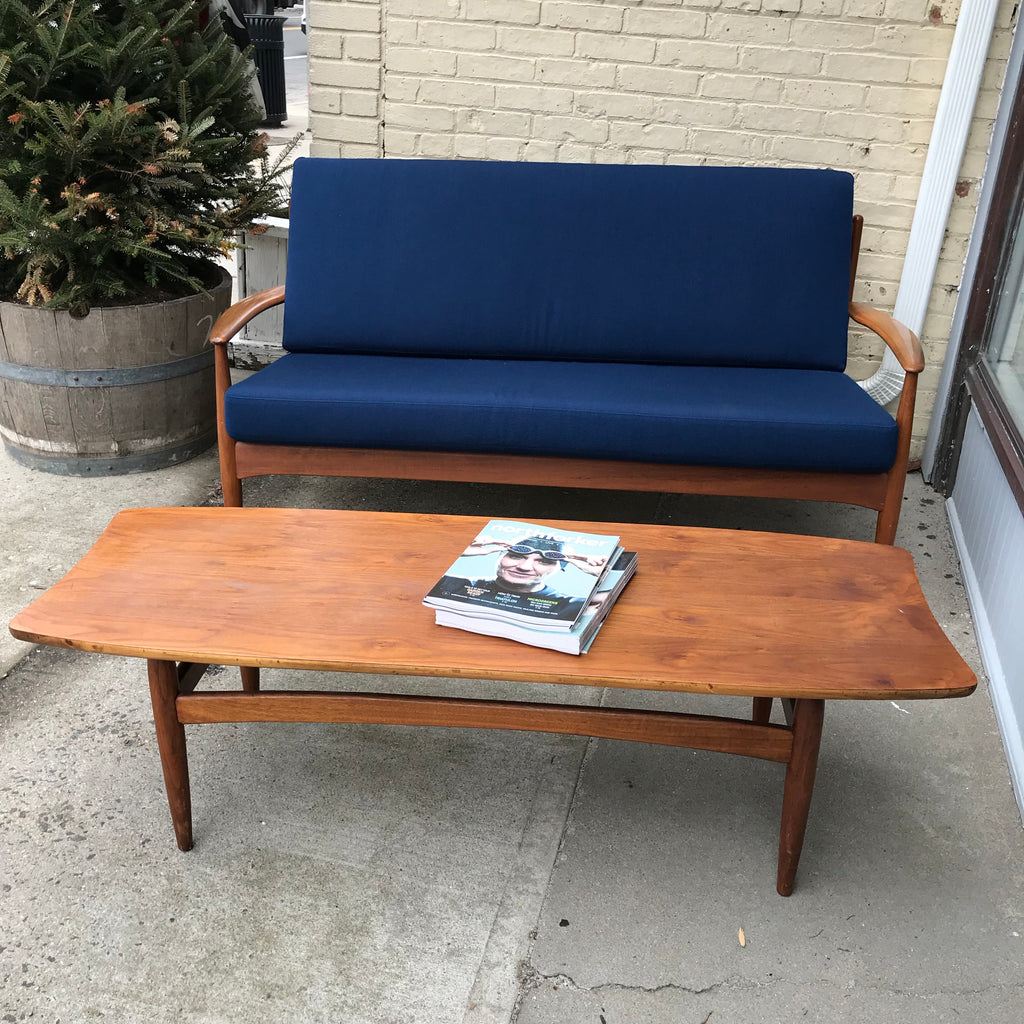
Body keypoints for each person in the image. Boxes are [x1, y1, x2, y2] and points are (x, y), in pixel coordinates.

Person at [431, 535, 608, 621]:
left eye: (543, 561)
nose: (524, 567)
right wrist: (458, 551)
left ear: (559, 569)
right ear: (499, 556)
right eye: (515, 556)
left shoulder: (568, 606)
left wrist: (604, 572)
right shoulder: (454, 585)